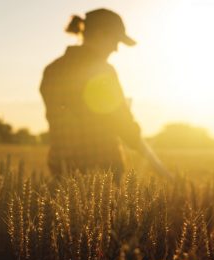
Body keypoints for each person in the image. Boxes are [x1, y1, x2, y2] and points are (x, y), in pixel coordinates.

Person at [40, 8, 171, 180]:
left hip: (61, 166)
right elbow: (124, 126)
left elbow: (69, 114)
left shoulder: (52, 70)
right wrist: (164, 172)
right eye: (115, 40)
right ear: (101, 34)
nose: (116, 49)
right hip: (102, 168)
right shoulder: (102, 70)